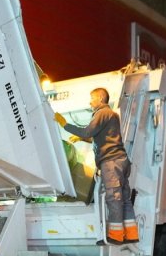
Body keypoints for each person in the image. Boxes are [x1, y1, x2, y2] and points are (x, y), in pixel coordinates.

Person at [54, 87, 138, 245]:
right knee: (125, 199)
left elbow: (87, 132)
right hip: (121, 160)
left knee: (113, 198)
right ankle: (131, 234)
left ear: (100, 98)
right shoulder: (111, 115)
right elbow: (100, 138)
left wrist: (65, 125)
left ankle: (116, 235)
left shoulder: (101, 113)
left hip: (111, 162)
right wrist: (83, 140)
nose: (90, 101)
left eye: (92, 98)